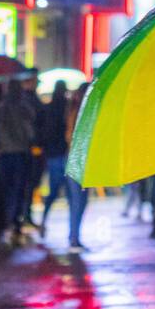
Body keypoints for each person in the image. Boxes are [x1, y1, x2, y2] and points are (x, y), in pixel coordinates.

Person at [0, 80, 40, 246]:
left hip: (5, 153)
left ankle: (7, 222)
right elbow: (30, 130)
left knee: (6, 190)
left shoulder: (0, 109)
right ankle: (16, 223)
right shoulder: (24, 108)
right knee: (20, 189)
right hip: (21, 152)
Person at [37, 81, 72, 238]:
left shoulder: (48, 108)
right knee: (72, 194)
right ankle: (73, 233)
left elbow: (43, 132)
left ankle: (44, 220)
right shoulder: (67, 108)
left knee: (53, 190)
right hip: (66, 153)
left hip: (53, 154)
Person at [64, 84, 90, 251]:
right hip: (77, 159)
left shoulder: (77, 111)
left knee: (80, 200)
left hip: (78, 159)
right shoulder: (78, 113)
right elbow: (69, 136)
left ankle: (75, 236)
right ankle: (74, 237)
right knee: (78, 201)